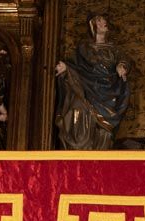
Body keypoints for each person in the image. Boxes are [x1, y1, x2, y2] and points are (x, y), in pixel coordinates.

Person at [54, 14, 130, 151]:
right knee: (77, 108)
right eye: (99, 21)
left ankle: (100, 148)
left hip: (108, 90)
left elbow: (124, 60)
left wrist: (122, 66)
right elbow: (77, 67)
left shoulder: (114, 48)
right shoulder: (84, 47)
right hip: (85, 86)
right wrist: (66, 68)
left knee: (104, 127)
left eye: (104, 21)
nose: (103, 23)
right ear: (92, 26)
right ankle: (78, 147)